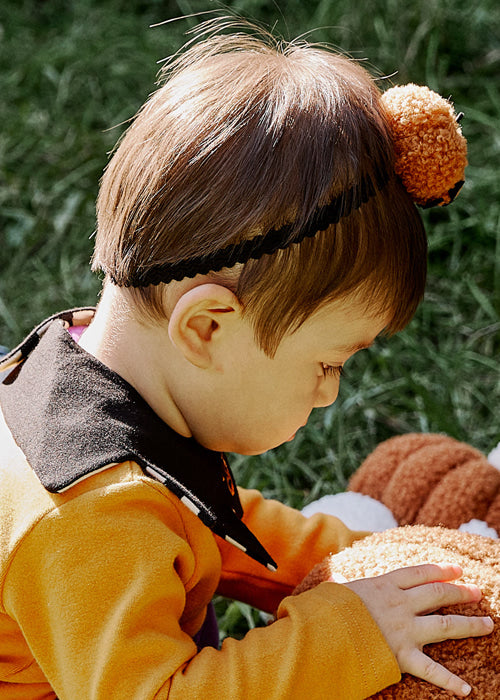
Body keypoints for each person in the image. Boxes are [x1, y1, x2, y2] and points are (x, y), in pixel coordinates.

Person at [0, 22, 493, 700]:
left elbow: (211, 520)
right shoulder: (88, 518)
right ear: (206, 327)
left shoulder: (97, 377)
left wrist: (368, 556)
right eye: (326, 364)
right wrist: (346, 632)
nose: (329, 395)